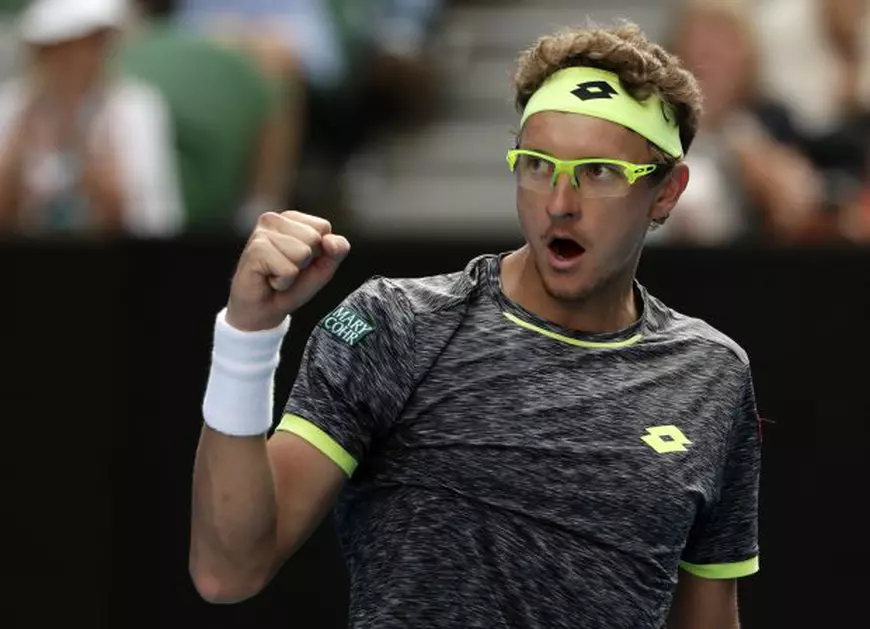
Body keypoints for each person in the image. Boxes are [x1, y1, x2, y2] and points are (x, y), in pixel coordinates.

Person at [190, 22, 762, 629]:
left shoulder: (713, 375)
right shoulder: (395, 325)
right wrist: (246, 335)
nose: (559, 202)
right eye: (537, 165)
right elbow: (228, 569)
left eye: (597, 172)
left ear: (668, 191)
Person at [0, 0, 183, 237]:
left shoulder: (136, 108)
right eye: (66, 45)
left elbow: (157, 221)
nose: (80, 58)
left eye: (93, 42)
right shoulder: (11, 106)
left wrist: (101, 179)